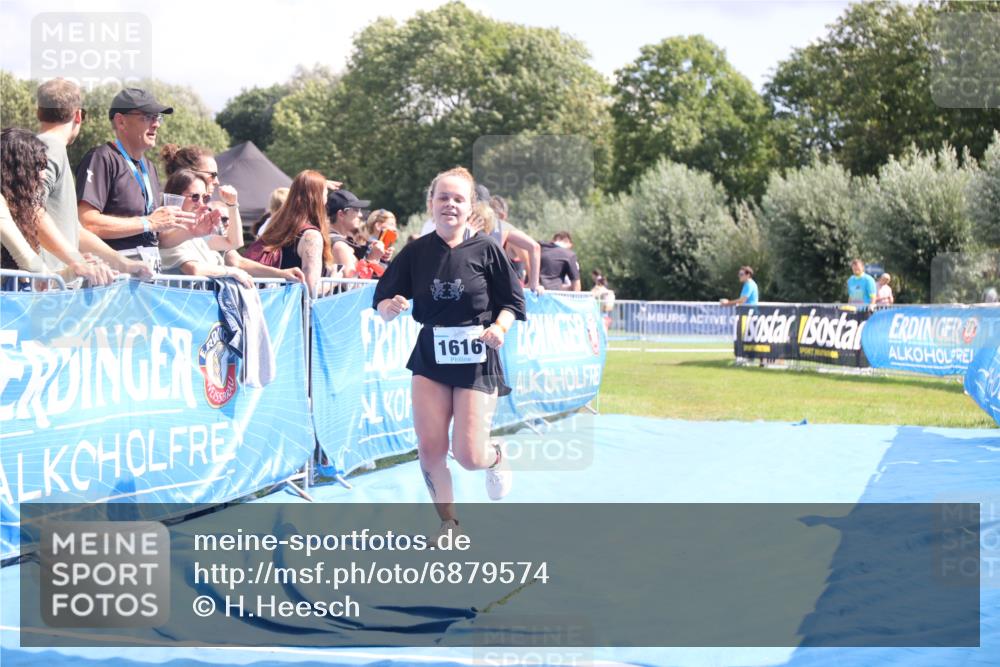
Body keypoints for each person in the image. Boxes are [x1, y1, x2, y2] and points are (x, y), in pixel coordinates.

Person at [373, 167, 526, 539]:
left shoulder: (487, 249)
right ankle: (449, 523)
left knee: (470, 456)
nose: (450, 205)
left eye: (458, 199)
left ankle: (496, 456)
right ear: (431, 203)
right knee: (431, 450)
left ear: (470, 207)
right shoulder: (416, 251)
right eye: (443, 197)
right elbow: (382, 297)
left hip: (477, 355)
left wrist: (500, 327)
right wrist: (389, 308)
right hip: (431, 356)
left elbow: (512, 302)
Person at [35, 78, 151, 281]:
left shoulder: (49, 148)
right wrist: (77, 262)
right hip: (45, 288)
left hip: (52, 286)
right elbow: (32, 212)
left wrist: (123, 263)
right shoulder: (49, 148)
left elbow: (75, 230)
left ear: (38, 112)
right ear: (78, 115)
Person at [76, 87, 196, 271]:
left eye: (157, 117)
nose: (156, 124)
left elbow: (158, 237)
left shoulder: (149, 167)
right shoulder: (102, 158)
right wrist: (148, 222)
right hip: (112, 277)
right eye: (147, 117)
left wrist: (194, 230)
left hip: (146, 275)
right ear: (121, 121)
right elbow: (87, 223)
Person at [1, 128, 115, 286]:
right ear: (18, 170)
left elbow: (40, 284)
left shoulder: (17, 209)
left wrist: (74, 271)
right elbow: (30, 263)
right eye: (38, 166)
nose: (43, 174)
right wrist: (79, 263)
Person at [156, 170, 304, 287]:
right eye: (195, 197)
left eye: (205, 198)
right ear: (175, 196)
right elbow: (195, 269)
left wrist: (232, 206)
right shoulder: (168, 233)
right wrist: (231, 272)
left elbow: (233, 243)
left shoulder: (195, 235)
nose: (201, 204)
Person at [253, 170, 332, 296]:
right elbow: (311, 289)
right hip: (296, 311)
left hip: (271, 305)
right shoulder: (311, 236)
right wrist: (336, 280)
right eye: (326, 195)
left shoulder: (277, 226)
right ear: (318, 198)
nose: (327, 200)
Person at [327, 189, 386, 277]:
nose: (360, 215)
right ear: (341, 214)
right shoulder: (340, 246)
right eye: (356, 210)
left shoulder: (337, 241)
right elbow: (353, 287)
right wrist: (372, 259)